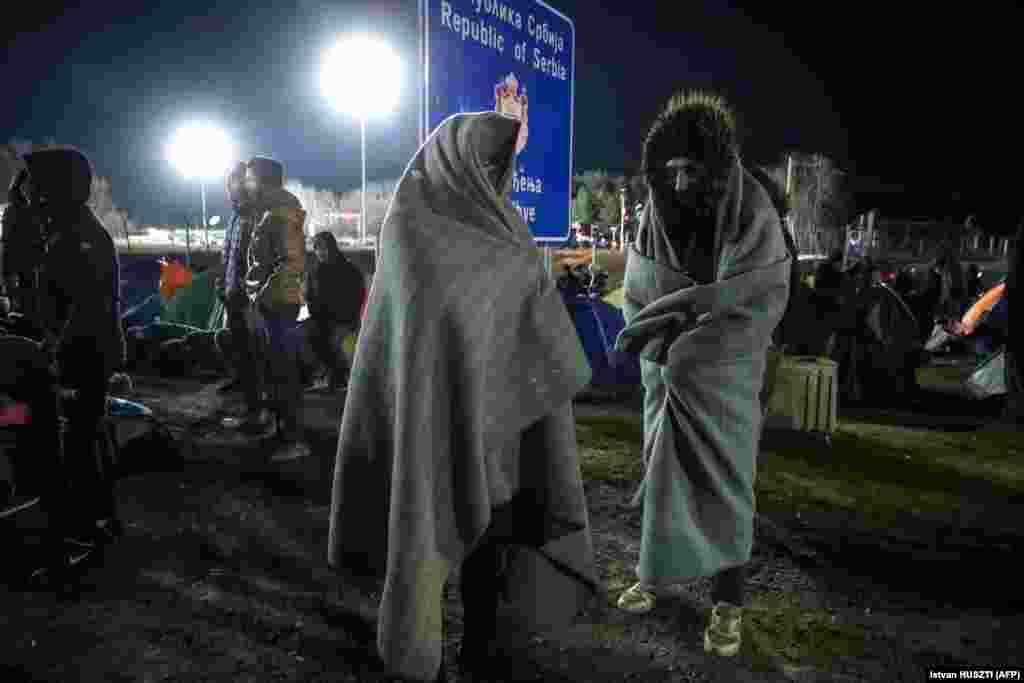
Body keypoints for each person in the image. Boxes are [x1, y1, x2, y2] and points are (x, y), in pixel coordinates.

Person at [327, 112, 597, 683]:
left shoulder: (509, 228)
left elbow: (535, 319)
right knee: (430, 544)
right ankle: (429, 653)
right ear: (455, 156)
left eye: (503, 162)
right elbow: (416, 335)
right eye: (487, 159)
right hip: (432, 427)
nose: (495, 172)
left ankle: (480, 650)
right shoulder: (409, 226)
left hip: (504, 429)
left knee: (489, 555)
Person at [613, 91, 791, 658]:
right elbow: (640, 290)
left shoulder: (752, 208)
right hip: (664, 376)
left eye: (693, 170)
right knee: (659, 470)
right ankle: (655, 573)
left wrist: (692, 343)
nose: (682, 182)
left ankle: (728, 603)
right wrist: (668, 337)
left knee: (725, 484)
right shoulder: (654, 214)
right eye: (672, 171)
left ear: (713, 166)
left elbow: (759, 296)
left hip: (726, 378)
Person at [24, 146, 127, 548]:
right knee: (85, 434)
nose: (29, 191)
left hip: (85, 353)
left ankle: (87, 526)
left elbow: (83, 307)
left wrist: (51, 351)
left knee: (80, 438)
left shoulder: (78, 236)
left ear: (56, 186)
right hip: (82, 349)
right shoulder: (64, 228)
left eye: (35, 182)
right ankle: (95, 518)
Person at [242, 156, 310, 461]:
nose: (245, 184)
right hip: (272, 303)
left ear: (263, 180)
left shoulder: (281, 211)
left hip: (279, 304)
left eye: (249, 178)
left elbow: (290, 262)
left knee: (284, 373)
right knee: (274, 371)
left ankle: (294, 439)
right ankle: (282, 430)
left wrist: (263, 299)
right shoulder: (267, 211)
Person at [216, 162, 266, 428]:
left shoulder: (253, 216)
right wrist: (221, 285)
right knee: (240, 352)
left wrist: (246, 297)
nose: (228, 189)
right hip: (232, 298)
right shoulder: (235, 217)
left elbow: (256, 263)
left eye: (232, 183)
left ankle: (257, 413)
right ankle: (251, 406)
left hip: (247, 302)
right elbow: (228, 257)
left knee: (253, 357)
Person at [302, 231, 365, 391]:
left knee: (327, 339)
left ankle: (336, 375)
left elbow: (355, 300)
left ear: (333, 248)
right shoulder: (315, 272)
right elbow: (309, 297)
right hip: (321, 320)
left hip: (343, 320)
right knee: (310, 334)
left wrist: (345, 322)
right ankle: (336, 374)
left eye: (324, 248)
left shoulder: (349, 271)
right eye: (317, 249)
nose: (321, 252)